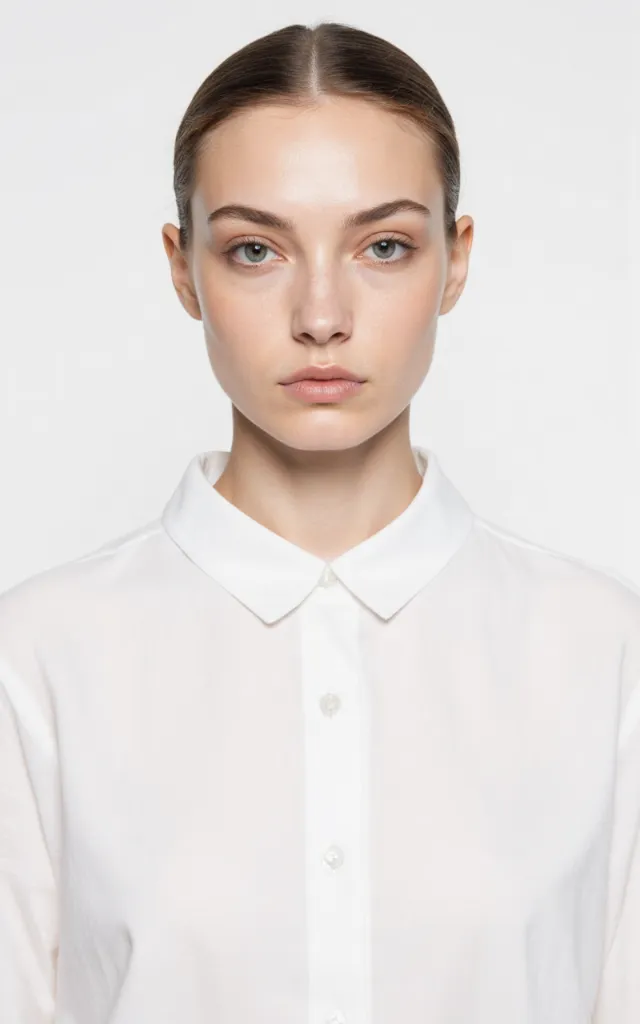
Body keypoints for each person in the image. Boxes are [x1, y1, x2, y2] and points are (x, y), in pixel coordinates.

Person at [1, 19, 639, 1024]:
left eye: (383, 245)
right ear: (182, 269)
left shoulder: (604, 651)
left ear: (455, 259)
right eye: (255, 248)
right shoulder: (36, 657)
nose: (322, 313)